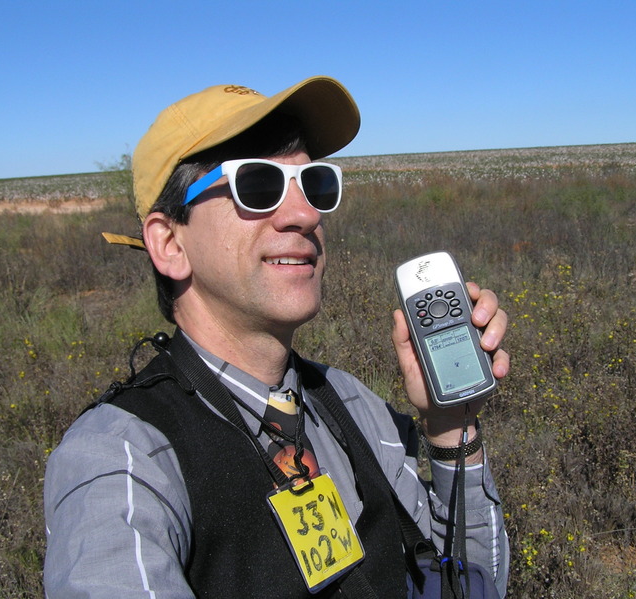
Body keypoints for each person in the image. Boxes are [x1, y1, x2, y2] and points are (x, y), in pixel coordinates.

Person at [43, 76, 510, 598]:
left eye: (315, 185)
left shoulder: (356, 410)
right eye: (258, 186)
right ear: (170, 243)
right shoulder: (123, 462)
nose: (306, 214)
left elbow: (468, 585)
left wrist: (449, 429)